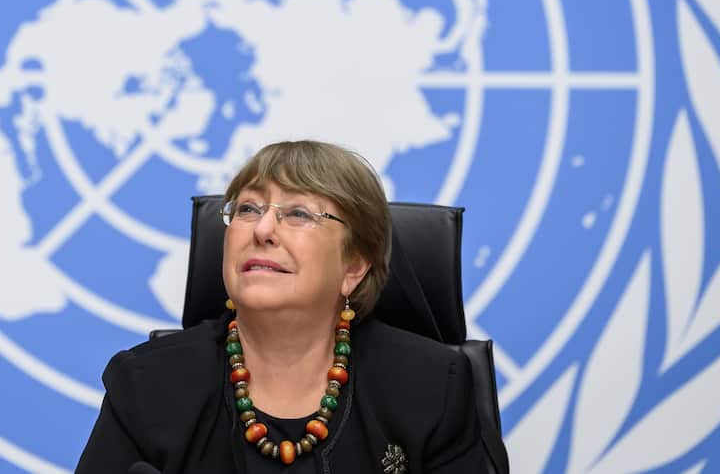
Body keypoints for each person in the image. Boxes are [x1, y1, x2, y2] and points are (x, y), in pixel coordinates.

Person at [76, 140, 488, 472]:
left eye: (298, 213)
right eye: (248, 208)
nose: (263, 229)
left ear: (354, 266)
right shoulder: (147, 384)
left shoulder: (433, 385)